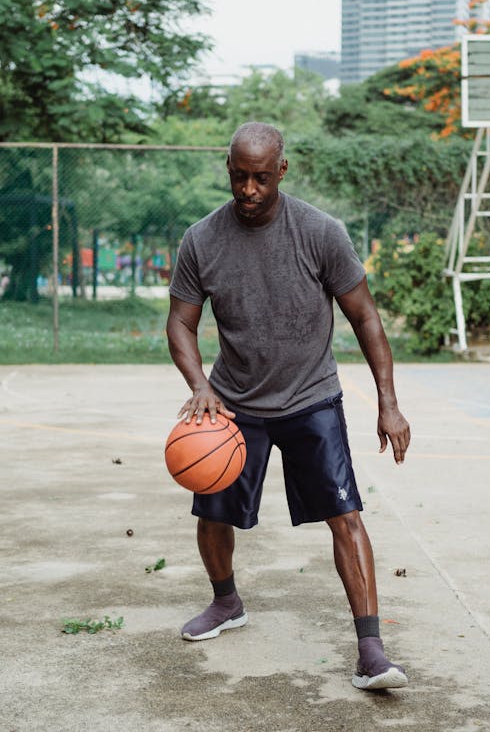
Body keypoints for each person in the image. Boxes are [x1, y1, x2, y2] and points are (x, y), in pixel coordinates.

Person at [165, 122, 412, 691]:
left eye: (258, 177)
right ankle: (226, 603)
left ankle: (371, 650)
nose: (247, 189)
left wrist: (389, 403)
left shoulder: (320, 232)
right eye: (237, 176)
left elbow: (366, 317)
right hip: (234, 402)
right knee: (213, 512)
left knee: (345, 517)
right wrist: (200, 384)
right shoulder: (201, 239)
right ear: (228, 169)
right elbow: (180, 321)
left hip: (310, 396)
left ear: (281, 170)